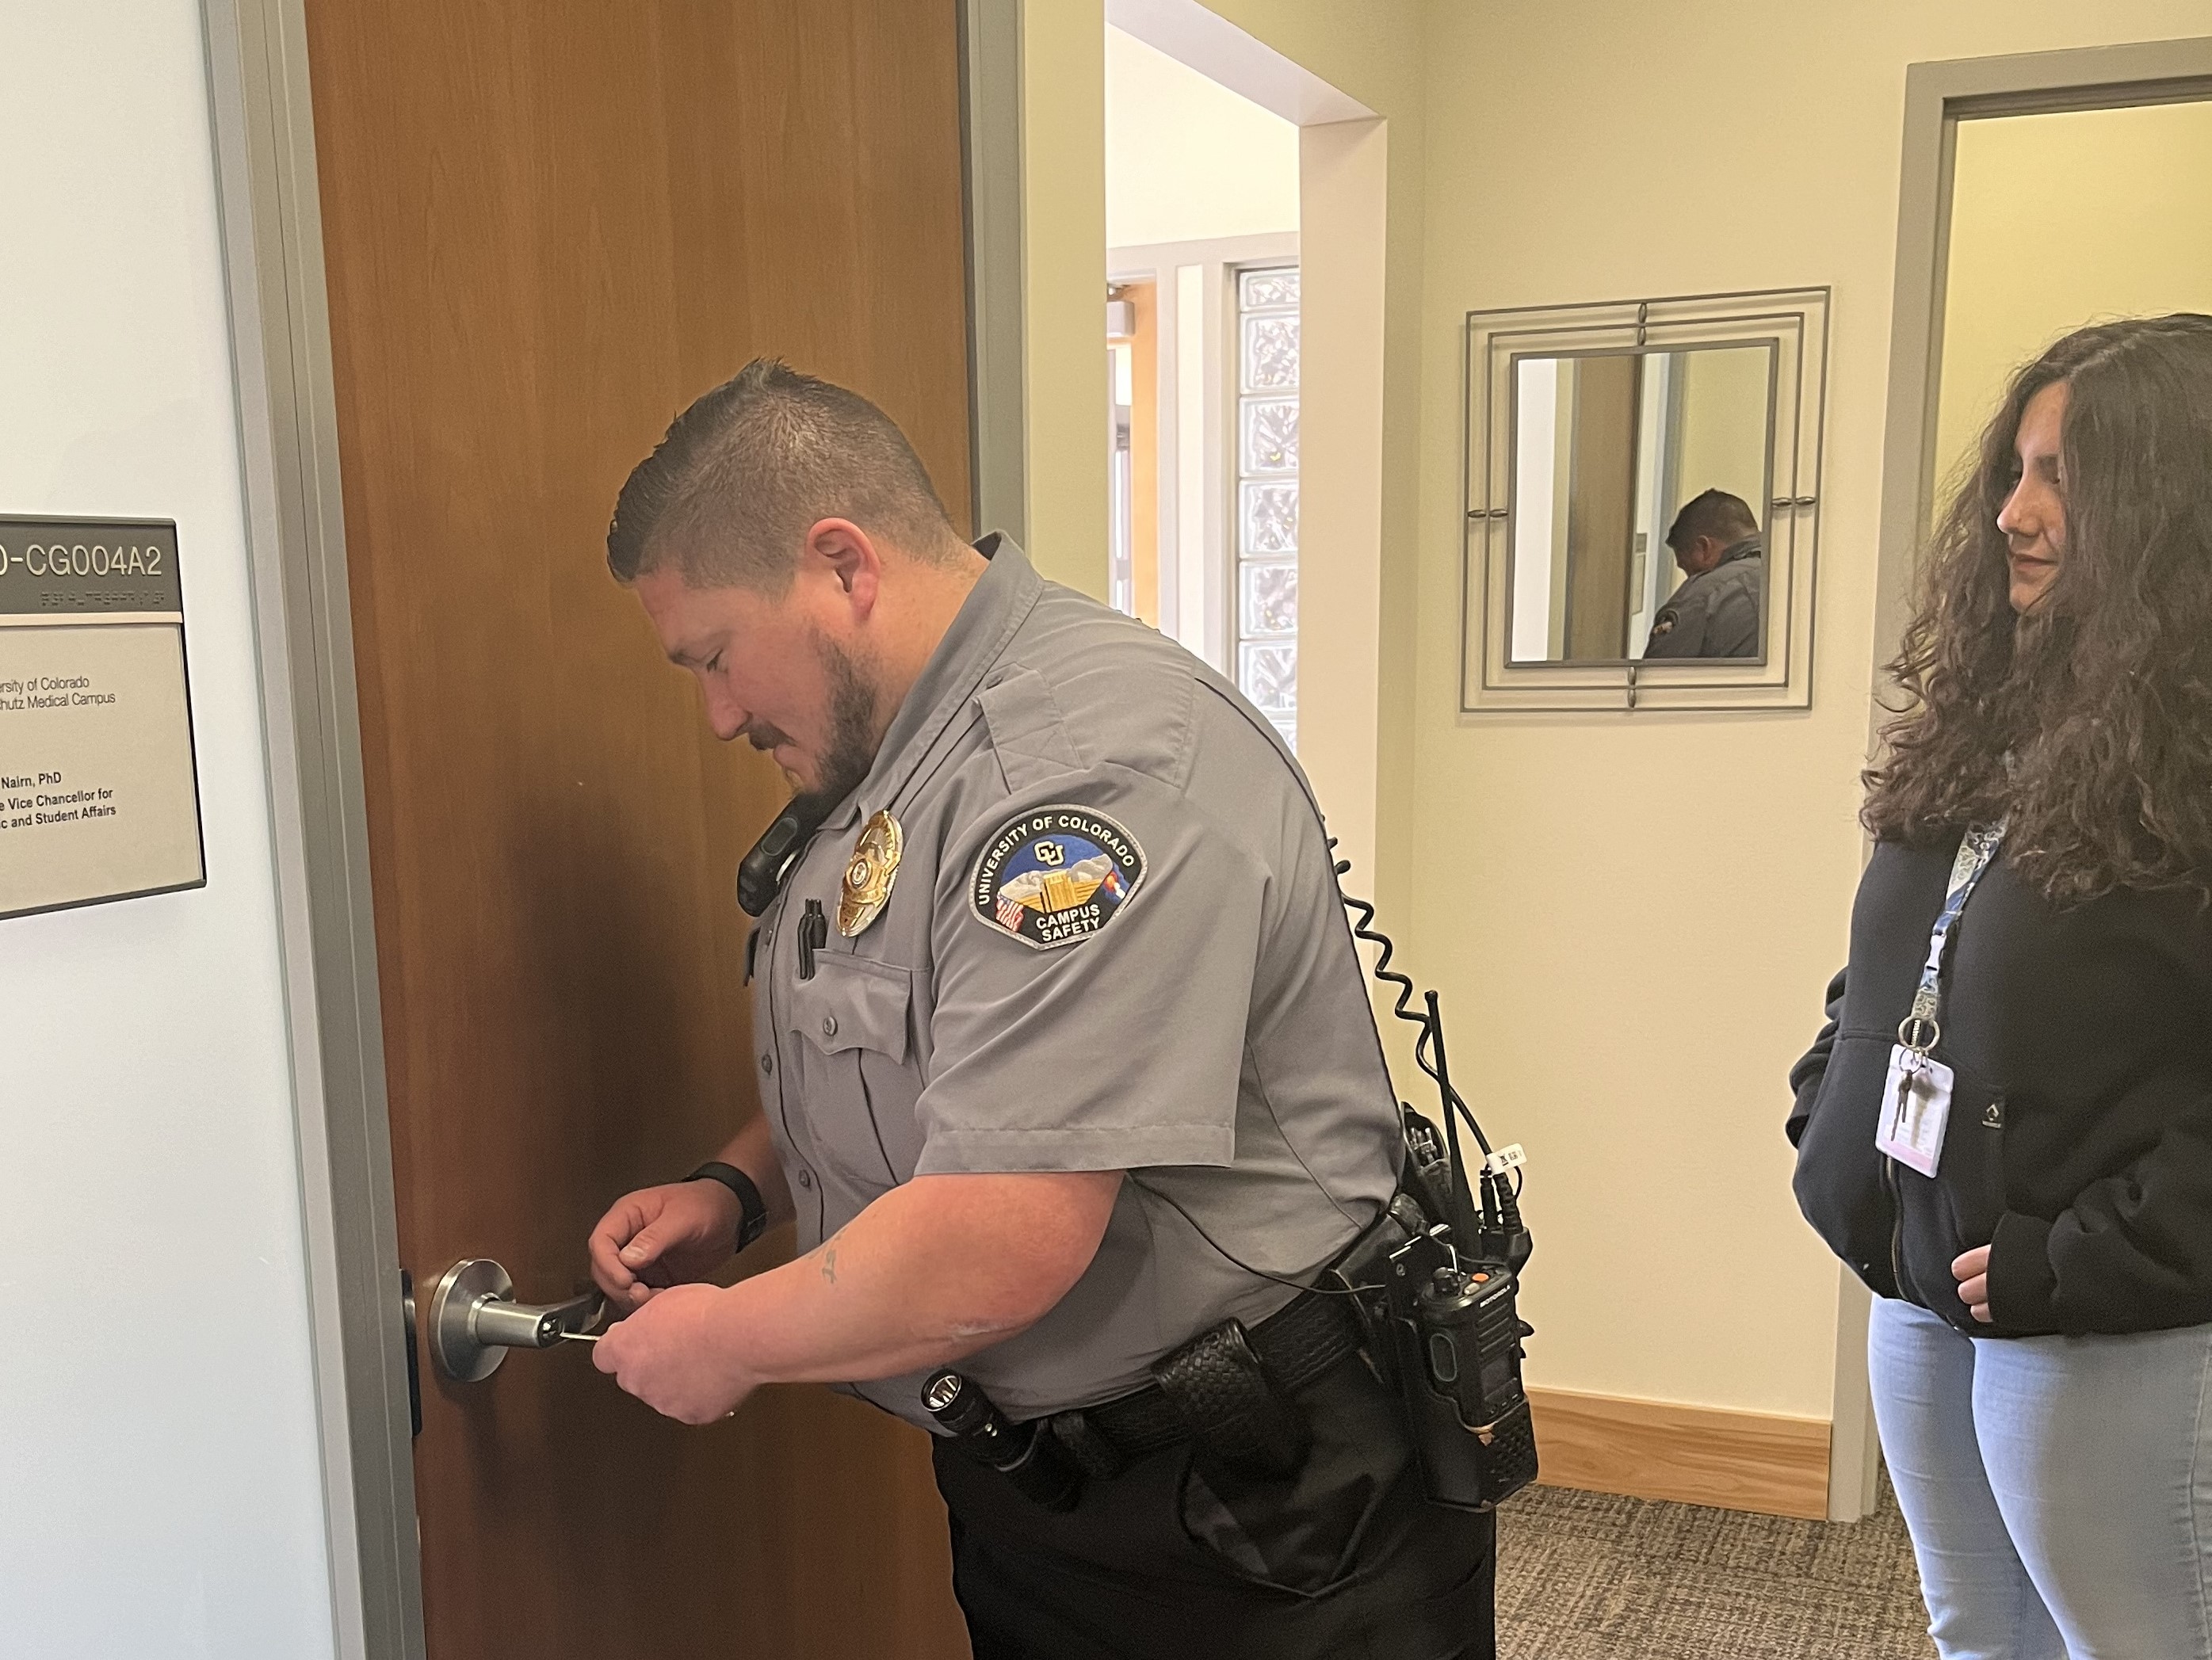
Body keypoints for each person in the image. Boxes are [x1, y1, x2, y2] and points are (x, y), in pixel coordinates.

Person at [582, 359, 1496, 1658]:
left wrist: (729, 1340)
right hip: (1052, 1483)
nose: (718, 712)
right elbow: (924, 1058)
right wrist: (734, 1193)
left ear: (842, 565)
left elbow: (1005, 1230)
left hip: (1264, 1518)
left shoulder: (1080, 769)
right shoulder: (899, 754)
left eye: (717, 657)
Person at [1786, 315, 2212, 1658]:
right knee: (1979, 1635)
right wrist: (1831, 1108)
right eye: (2014, 474)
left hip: (2104, 1322)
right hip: (1921, 1288)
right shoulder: (1993, 717)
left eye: (2064, 485)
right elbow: (1904, 961)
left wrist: (2082, 1257)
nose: (2014, 517)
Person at [1641, 488, 1763, 658]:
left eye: (1688, 568)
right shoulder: (1800, 571)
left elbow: (1655, 680)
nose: (1690, 578)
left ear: (1704, 548)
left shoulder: (1704, 597)